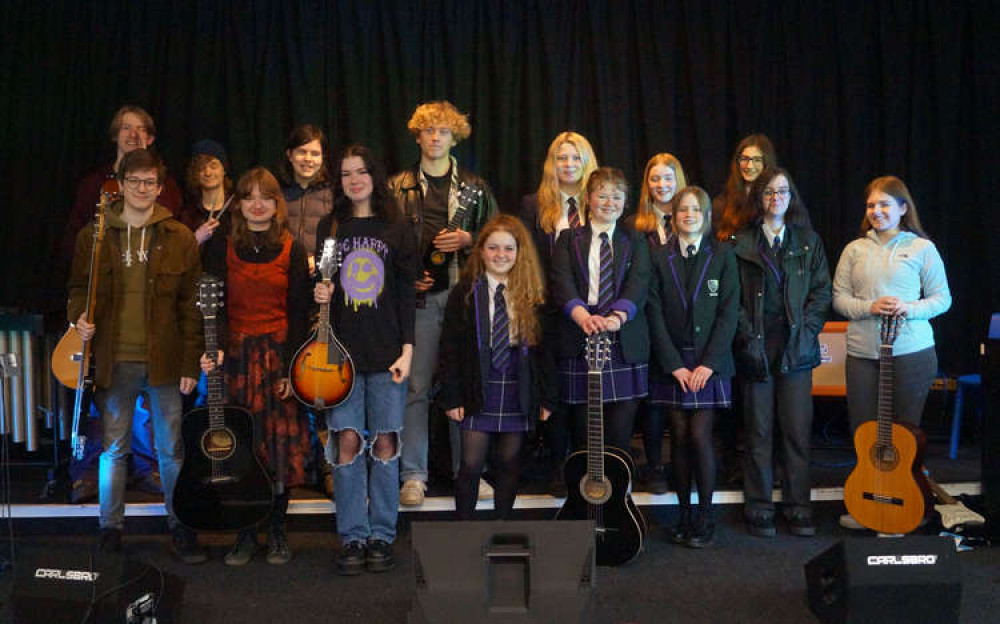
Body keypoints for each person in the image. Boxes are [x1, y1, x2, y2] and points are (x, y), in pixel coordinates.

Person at [67, 148, 204, 562]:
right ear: (120, 184)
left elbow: (191, 305)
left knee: (171, 451)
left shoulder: (178, 236)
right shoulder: (92, 236)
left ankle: (180, 527)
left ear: (160, 188)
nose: (142, 189)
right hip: (113, 359)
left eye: (150, 183)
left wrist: (189, 362)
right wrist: (80, 318)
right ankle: (110, 529)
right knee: (113, 450)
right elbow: (77, 291)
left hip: (164, 362)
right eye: (134, 181)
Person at [61, 105, 184, 504]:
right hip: (113, 340)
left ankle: (155, 481)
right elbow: (78, 272)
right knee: (108, 428)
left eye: (141, 129)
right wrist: (80, 314)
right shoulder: (92, 197)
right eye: (125, 129)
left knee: (165, 437)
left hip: (160, 344)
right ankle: (102, 512)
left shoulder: (171, 212)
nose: (133, 135)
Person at [313, 145, 418, 575]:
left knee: (387, 444)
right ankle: (353, 536)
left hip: (388, 351)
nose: (354, 180)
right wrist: (321, 292)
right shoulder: (330, 225)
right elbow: (322, 280)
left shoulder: (397, 226)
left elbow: (409, 293)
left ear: (375, 175)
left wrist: (409, 349)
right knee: (347, 444)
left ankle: (382, 535)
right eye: (346, 174)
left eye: (361, 172)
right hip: (341, 354)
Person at [200, 167, 312, 565]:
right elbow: (211, 307)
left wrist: (289, 370)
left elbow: (300, 313)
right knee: (240, 449)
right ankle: (246, 532)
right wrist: (214, 351)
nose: (258, 204)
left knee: (278, 451)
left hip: (278, 358)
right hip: (236, 359)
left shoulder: (292, 249)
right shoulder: (220, 247)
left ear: (277, 203)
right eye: (249, 196)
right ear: (239, 204)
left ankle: (277, 531)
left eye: (266, 196)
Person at [389, 100, 498, 506]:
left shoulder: (475, 187)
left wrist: (471, 240)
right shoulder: (396, 186)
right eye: (428, 130)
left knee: (464, 385)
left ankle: (468, 471)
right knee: (415, 388)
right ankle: (413, 475)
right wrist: (404, 277)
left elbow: (502, 239)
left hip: (463, 299)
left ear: (456, 137)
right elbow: (382, 244)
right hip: (416, 302)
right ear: (417, 136)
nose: (436, 138)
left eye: (444, 131)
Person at [832, 176, 951, 529]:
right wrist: (871, 306)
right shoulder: (854, 249)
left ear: (902, 208)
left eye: (885, 204)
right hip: (863, 355)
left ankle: (902, 509)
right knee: (865, 434)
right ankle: (867, 506)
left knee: (903, 437)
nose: (877, 211)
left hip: (911, 353)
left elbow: (942, 298)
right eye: (871, 205)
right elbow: (838, 298)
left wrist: (906, 308)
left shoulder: (921, 248)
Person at [733, 167, 831, 537]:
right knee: (758, 431)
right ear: (759, 198)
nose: (777, 198)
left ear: (792, 198)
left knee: (796, 430)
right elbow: (733, 301)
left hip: (796, 346)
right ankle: (759, 506)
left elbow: (821, 293)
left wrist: (806, 332)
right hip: (755, 345)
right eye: (769, 192)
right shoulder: (739, 243)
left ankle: (798, 505)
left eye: (783, 192)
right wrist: (746, 337)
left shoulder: (808, 241)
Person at [440, 215, 556, 520]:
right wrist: (452, 397)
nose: (500, 255)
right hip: (479, 382)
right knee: (470, 465)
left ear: (520, 253)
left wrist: (546, 399)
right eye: (493, 248)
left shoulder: (533, 295)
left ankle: (501, 525)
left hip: (518, 383)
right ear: (480, 251)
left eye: (508, 248)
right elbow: (449, 348)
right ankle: (463, 530)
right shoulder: (464, 293)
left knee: (509, 462)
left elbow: (545, 354)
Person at [646, 186, 739, 548]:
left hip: (709, 363)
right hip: (673, 365)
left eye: (695, 210)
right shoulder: (657, 256)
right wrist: (674, 366)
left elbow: (729, 313)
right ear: (673, 215)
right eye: (682, 210)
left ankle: (705, 515)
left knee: (700, 436)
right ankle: (684, 513)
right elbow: (653, 314)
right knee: (680, 438)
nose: (688, 215)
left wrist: (709, 365)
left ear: (705, 217)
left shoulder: (722, 254)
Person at [550, 167, 650, 462]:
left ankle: (618, 496)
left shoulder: (635, 239)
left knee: (620, 436)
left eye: (617, 197)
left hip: (622, 334)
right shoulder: (568, 239)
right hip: (580, 331)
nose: (610, 203)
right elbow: (561, 281)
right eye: (603, 196)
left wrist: (618, 316)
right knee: (585, 433)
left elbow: (640, 282)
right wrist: (582, 316)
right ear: (589, 199)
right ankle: (587, 497)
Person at [518, 131, 598, 496]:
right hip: (549, 314)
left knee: (588, 394)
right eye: (561, 158)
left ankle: (587, 465)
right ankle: (557, 464)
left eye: (575, 158)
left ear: (587, 163)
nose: (568, 165)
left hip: (592, 315)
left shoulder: (599, 202)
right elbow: (527, 260)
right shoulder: (533, 205)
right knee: (556, 395)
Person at [627, 152, 687, 494]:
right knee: (652, 400)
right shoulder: (635, 227)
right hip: (646, 323)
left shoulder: (692, 219)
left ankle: (681, 465)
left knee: (681, 400)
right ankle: (654, 466)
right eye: (654, 179)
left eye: (668, 178)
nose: (661, 185)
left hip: (683, 322)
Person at [281, 124, 334, 273]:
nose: (308, 159)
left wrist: (318, 262)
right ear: (289, 155)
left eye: (315, 153)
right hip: (284, 274)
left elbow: (340, 240)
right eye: (302, 152)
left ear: (323, 158)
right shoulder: (276, 193)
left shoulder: (335, 194)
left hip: (323, 277)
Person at [713, 134, 777, 242]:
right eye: (744, 159)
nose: (749, 166)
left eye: (757, 160)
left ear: (766, 163)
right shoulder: (722, 204)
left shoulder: (778, 200)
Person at [177, 139, 233, 247]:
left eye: (213, 166)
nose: (207, 172)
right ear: (195, 174)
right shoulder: (188, 214)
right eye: (201, 168)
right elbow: (178, 256)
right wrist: (196, 239)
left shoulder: (237, 208)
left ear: (224, 170)